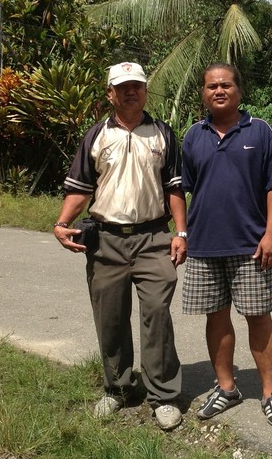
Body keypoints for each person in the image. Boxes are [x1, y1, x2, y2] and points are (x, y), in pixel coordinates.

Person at [52, 61, 188, 431]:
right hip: (106, 240)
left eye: (137, 86)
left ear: (145, 91)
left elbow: (175, 188)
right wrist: (62, 224)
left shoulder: (163, 134)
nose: (131, 92)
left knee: (157, 314)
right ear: (110, 93)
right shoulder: (96, 136)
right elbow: (80, 188)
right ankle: (119, 387)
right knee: (109, 317)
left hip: (154, 237)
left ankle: (163, 394)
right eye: (123, 87)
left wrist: (181, 232)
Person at [180, 63, 272, 428]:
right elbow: (184, 189)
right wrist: (182, 234)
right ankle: (226, 387)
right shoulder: (193, 136)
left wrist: (271, 233)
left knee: (258, 317)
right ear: (203, 92)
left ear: (239, 91)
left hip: (251, 246)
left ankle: (270, 393)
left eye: (226, 84)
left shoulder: (259, 132)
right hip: (204, 245)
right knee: (216, 316)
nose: (218, 90)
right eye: (211, 86)